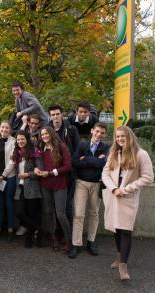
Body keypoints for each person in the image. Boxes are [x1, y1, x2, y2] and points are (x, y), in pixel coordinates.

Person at [101, 126, 153, 281]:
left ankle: (123, 266)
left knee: (125, 230)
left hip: (127, 197)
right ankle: (119, 257)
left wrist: (125, 189)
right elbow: (105, 174)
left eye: (122, 136)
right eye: (117, 137)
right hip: (113, 195)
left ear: (129, 136)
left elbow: (148, 177)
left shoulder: (141, 154)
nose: (120, 139)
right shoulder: (114, 153)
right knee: (116, 229)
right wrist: (114, 188)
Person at [69, 122, 110, 259]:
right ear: (92, 130)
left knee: (94, 213)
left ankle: (91, 242)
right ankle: (76, 244)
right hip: (81, 183)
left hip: (97, 184)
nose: (99, 135)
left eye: (102, 133)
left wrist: (86, 159)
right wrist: (94, 161)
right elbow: (75, 162)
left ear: (104, 135)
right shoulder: (82, 145)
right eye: (97, 131)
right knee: (79, 214)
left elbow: (103, 164)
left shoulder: (105, 147)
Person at [36, 126, 72, 253]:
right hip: (45, 184)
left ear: (51, 134)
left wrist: (51, 173)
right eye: (42, 134)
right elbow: (35, 161)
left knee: (61, 214)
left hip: (59, 184)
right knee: (48, 212)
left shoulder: (61, 147)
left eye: (46, 133)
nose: (44, 136)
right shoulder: (41, 148)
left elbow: (68, 166)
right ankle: (53, 237)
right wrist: (36, 169)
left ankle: (69, 241)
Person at [48, 104, 80, 225]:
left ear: (62, 115)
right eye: (53, 115)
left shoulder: (71, 129)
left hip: (68, 173)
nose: (55, 117)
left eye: (57, 114)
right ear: (50, 117)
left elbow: (77, 150)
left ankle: (68, 235)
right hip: (53, 173)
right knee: (52, 206)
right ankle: (56, 232)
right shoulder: (47, 130)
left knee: (67, 205)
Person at [12, 130, 44, 248]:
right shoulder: (16, 153)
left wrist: (26, 174)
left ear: (27, 139)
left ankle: (29, 238)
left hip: (32, 187)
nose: (20, 141)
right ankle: (38, 229)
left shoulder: (35, 152)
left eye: (22, 139)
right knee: (19, 212)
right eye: (18, 139)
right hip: (19, 187)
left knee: (31, 214)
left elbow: (40, 170)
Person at [0, 121, 16, 242]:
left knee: (9, 203)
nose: (4, 129)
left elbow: (13, 160)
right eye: (2, 127)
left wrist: (3, 175)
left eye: (7, 127)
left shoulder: (14, 141)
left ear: (10, 129)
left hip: (9, 177)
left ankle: (11, 229)